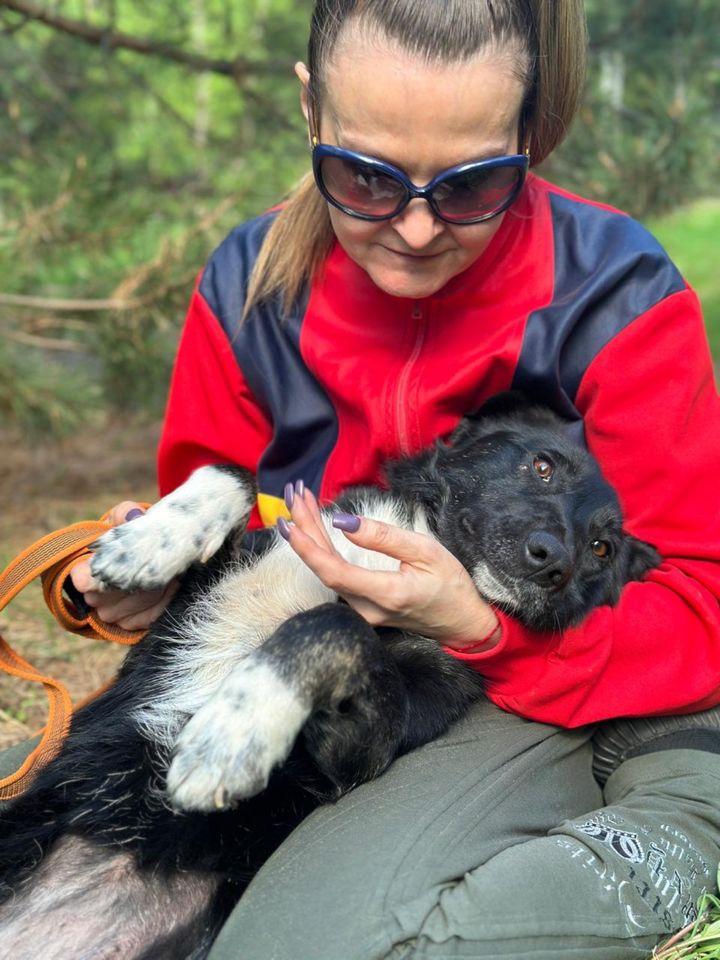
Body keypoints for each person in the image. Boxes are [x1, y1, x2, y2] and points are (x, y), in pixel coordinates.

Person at [63, 0, 720, 956]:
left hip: (539, 679)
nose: (414, 230)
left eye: (471, 184)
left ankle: (669, 824)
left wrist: (481, 629)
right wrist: (123, 583)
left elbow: (703, 601)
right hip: (350, 693)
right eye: (364, 175)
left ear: (531, 134)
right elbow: (220, 505)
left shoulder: (617, 295)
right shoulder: (247, 282)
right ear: (310, 110)